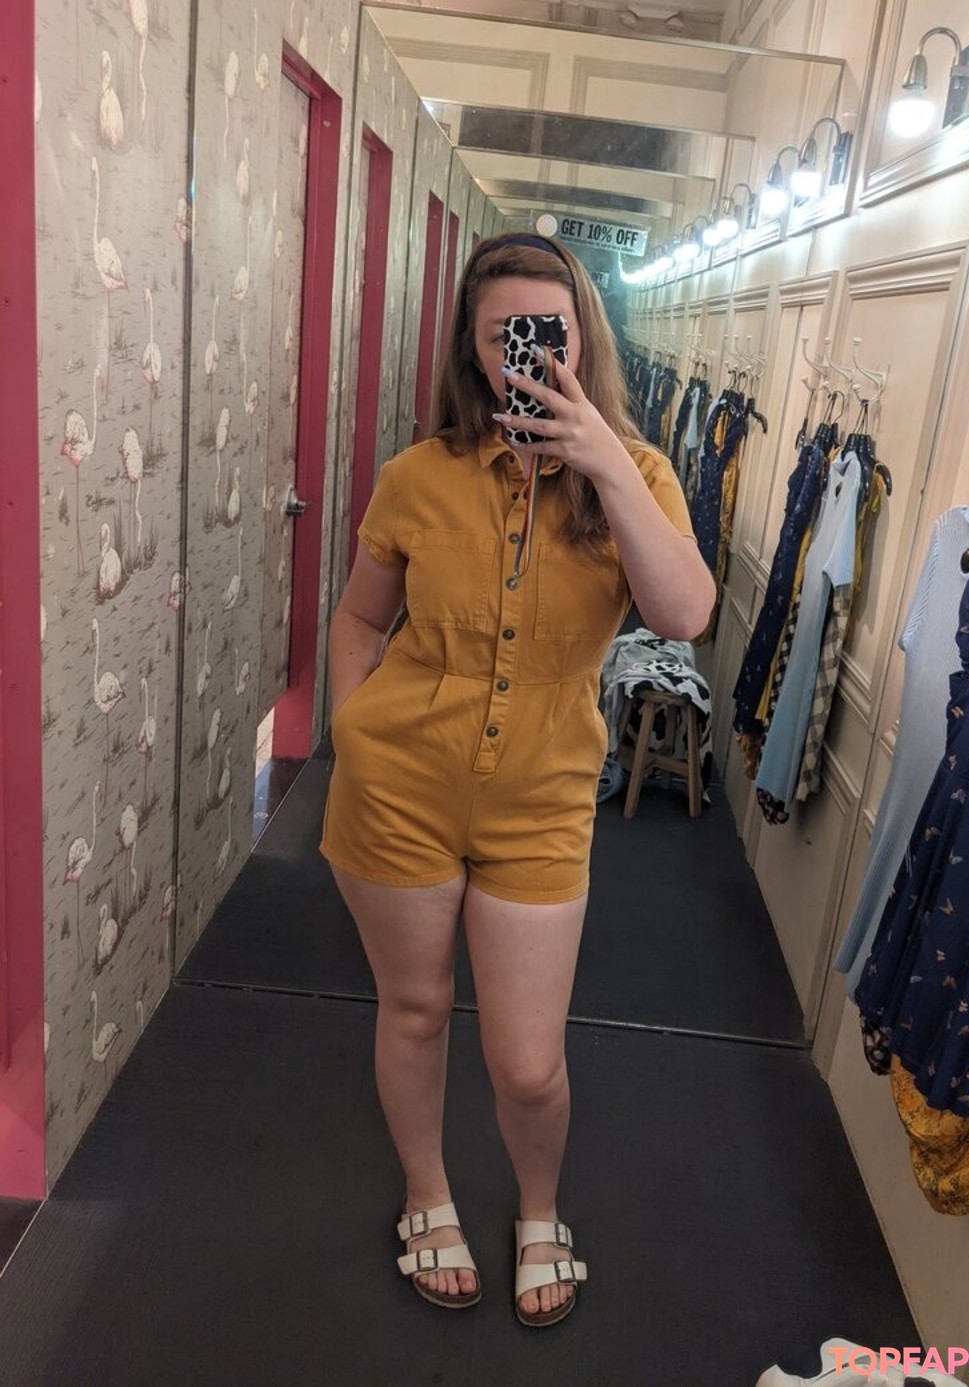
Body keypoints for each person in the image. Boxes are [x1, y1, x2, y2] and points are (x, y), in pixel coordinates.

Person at [320, 231, 715, 1326]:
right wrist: (354, 730)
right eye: (506, 336)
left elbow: (683, 613)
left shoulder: (638, 477)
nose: (529, 354)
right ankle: (428, 1194)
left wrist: (599, 455)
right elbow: (358, 619)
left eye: (551, 332)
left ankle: (539, 1209)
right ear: (473, 349)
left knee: (530, 1063)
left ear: (584, 340)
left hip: (542, 801)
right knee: (414, 1009)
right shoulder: (417, 476)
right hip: (398, 788)